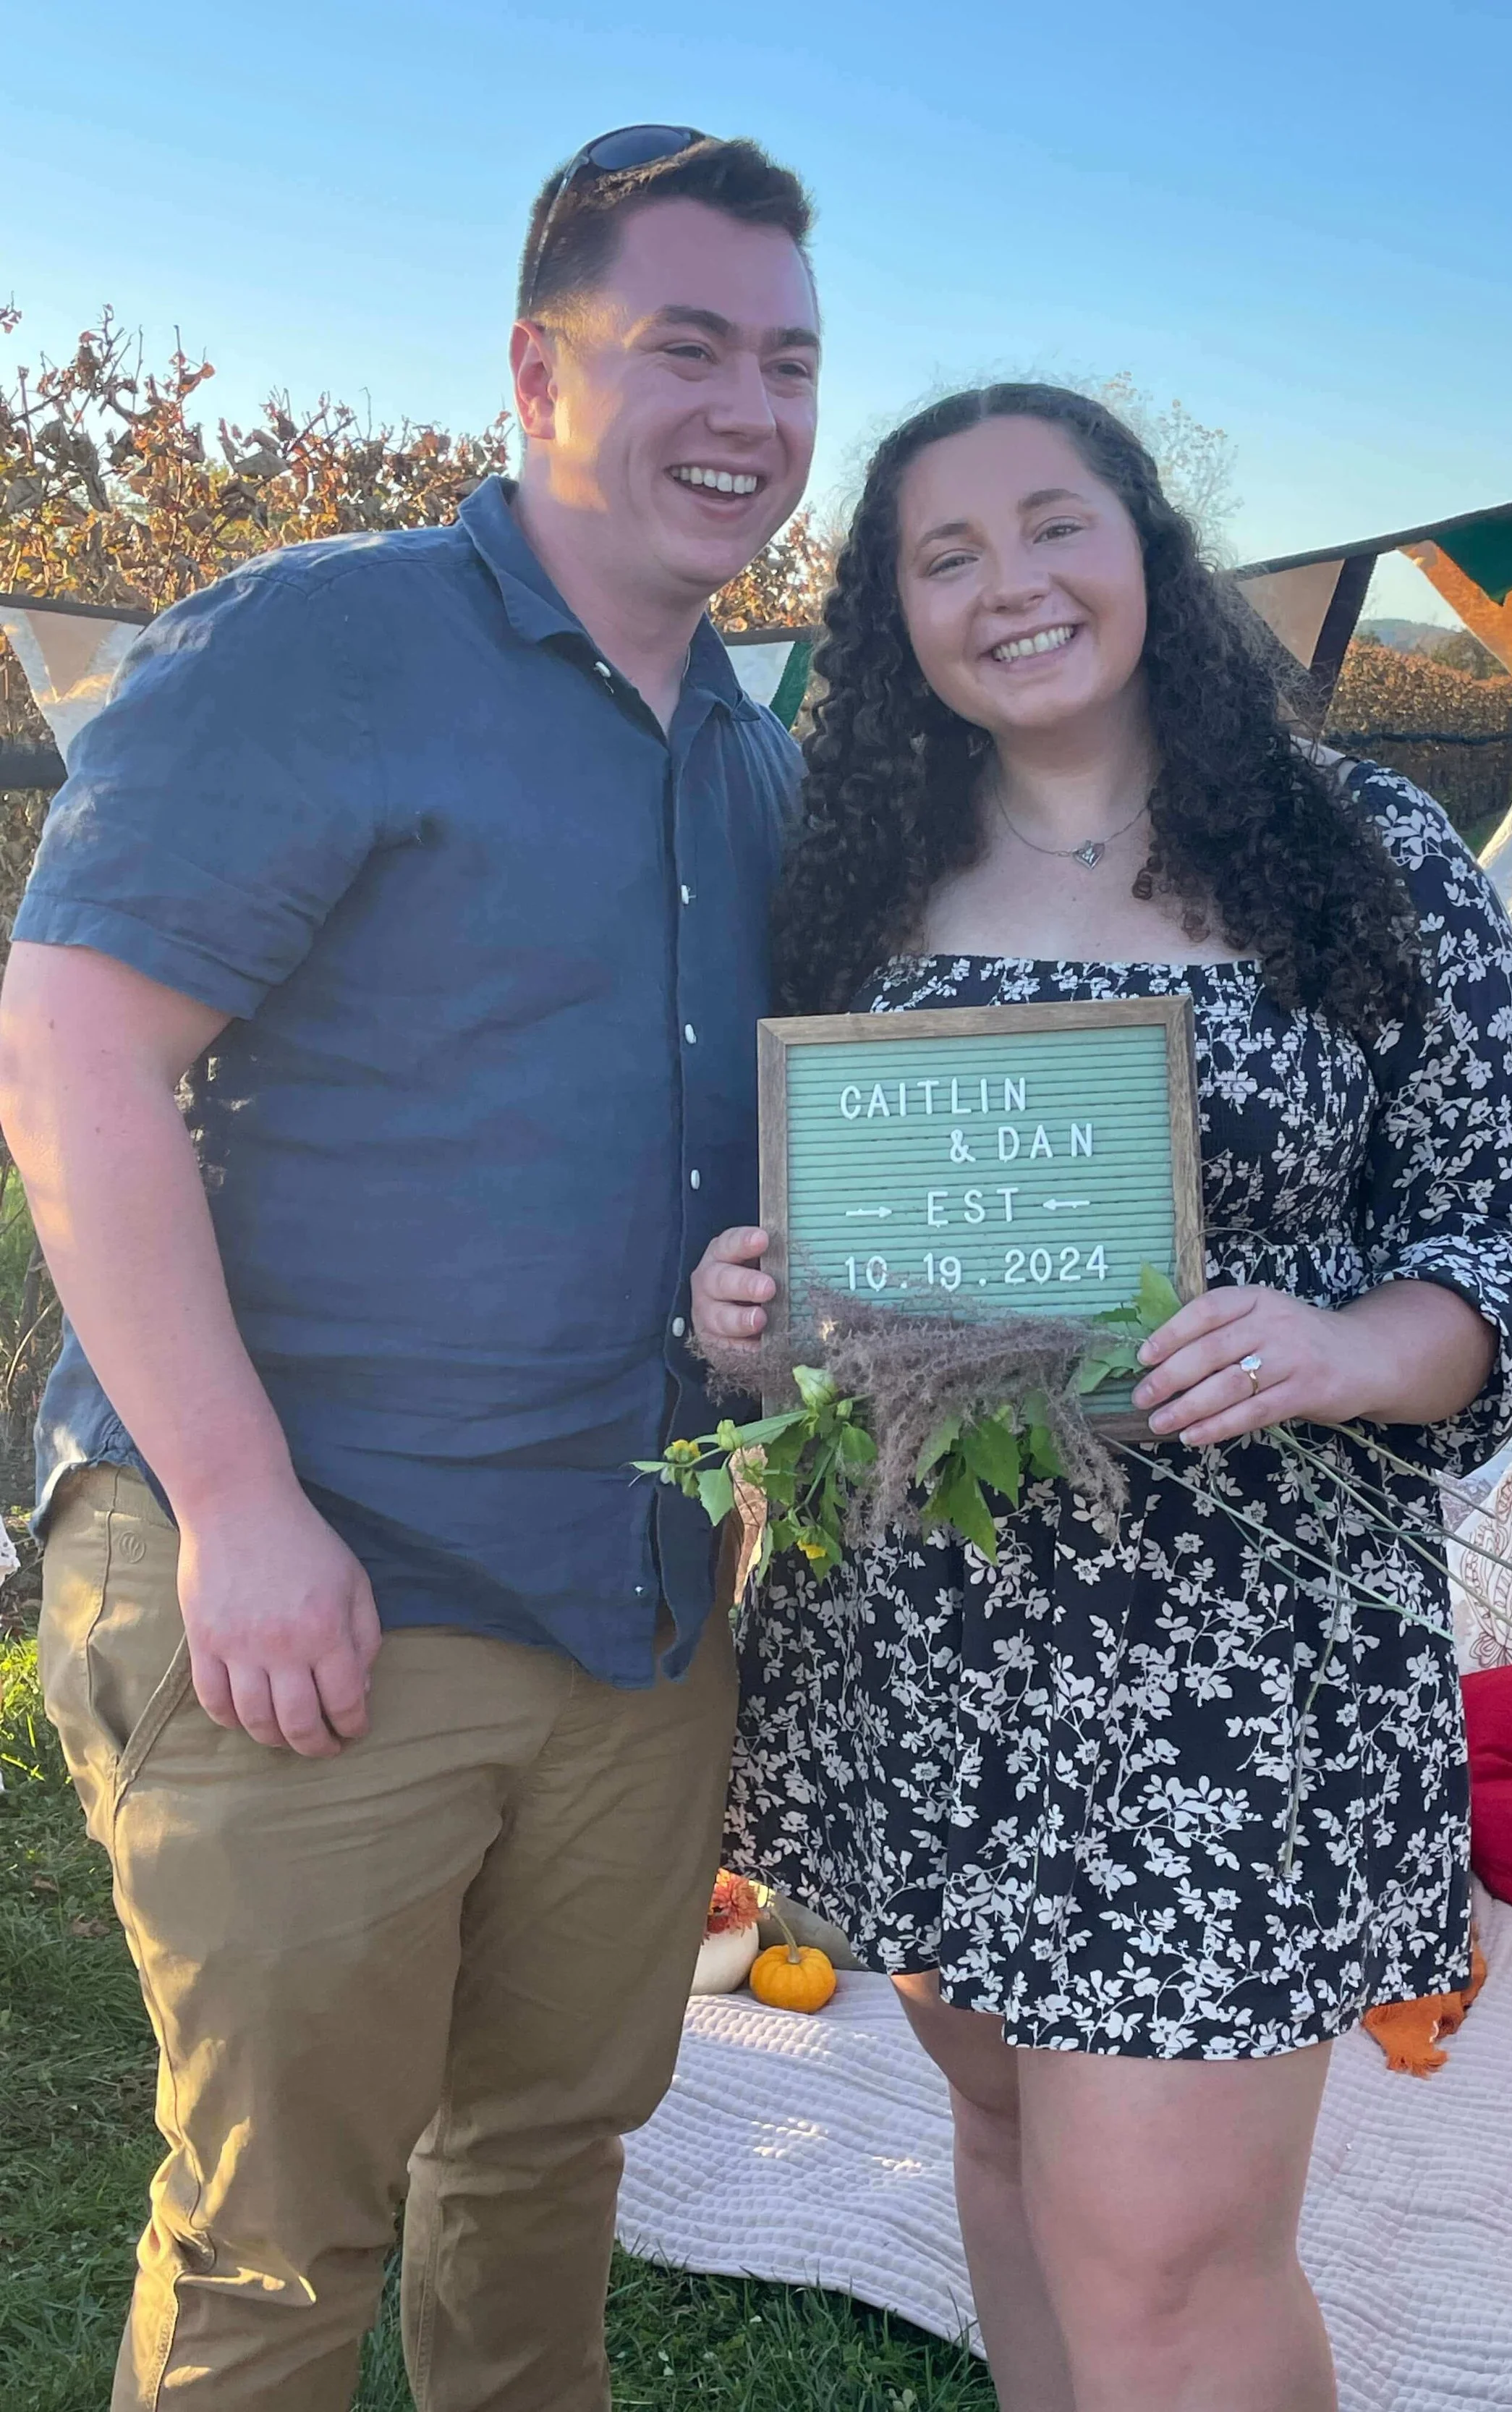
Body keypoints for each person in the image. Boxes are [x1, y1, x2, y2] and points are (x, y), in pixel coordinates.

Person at [0, 128, 819, 2410]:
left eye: (786, 357)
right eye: (684, 346)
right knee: (280, 2243)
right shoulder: (327, 639)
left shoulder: (747, 750)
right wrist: (241, 1510)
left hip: (632, 1593)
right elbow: (68, 1049)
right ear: (536, 372)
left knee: (547, 2160)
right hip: (307, 1580)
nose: (746, 407)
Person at [693, 383, 1512, 2412]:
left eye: (1053, 523)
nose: (1010, 583)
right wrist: (756, 1300)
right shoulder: (854, 882)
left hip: (1236, 1679)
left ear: (1149, 551)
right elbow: (823, 1241)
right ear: (889, 616)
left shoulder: (1360, 851)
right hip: (920, 1651)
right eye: (945, 554)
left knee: (1165, 2268)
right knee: (1006, 2147)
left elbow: (1509, 1233)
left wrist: (1358, 1345)